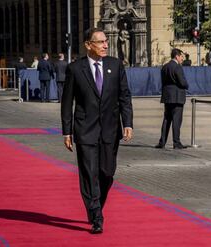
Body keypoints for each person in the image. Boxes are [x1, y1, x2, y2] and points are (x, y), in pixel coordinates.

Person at [61, 27, 133, 234]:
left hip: (111, 130)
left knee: (107, 173)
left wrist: (127, 123)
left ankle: (96, 205)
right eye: (100, 42)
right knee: (89, 174)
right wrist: (67, 132)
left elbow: (124, 97)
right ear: (88, 45)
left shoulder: (116, 65)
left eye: (105, 42)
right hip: (85, 130)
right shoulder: (75, 69)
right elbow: (67, 103)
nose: (105, 45)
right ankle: (96, 216)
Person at [155, 48, 189, 149]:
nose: (182, 59)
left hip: (167, 97)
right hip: (177, 97)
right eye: (181, 56)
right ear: (177, 56)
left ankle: (162, 142)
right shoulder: (177, 67)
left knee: (166, 120)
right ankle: (176, 142)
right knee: (176, 120)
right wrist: (186, 85)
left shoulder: (164, 67)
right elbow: (182, 82)